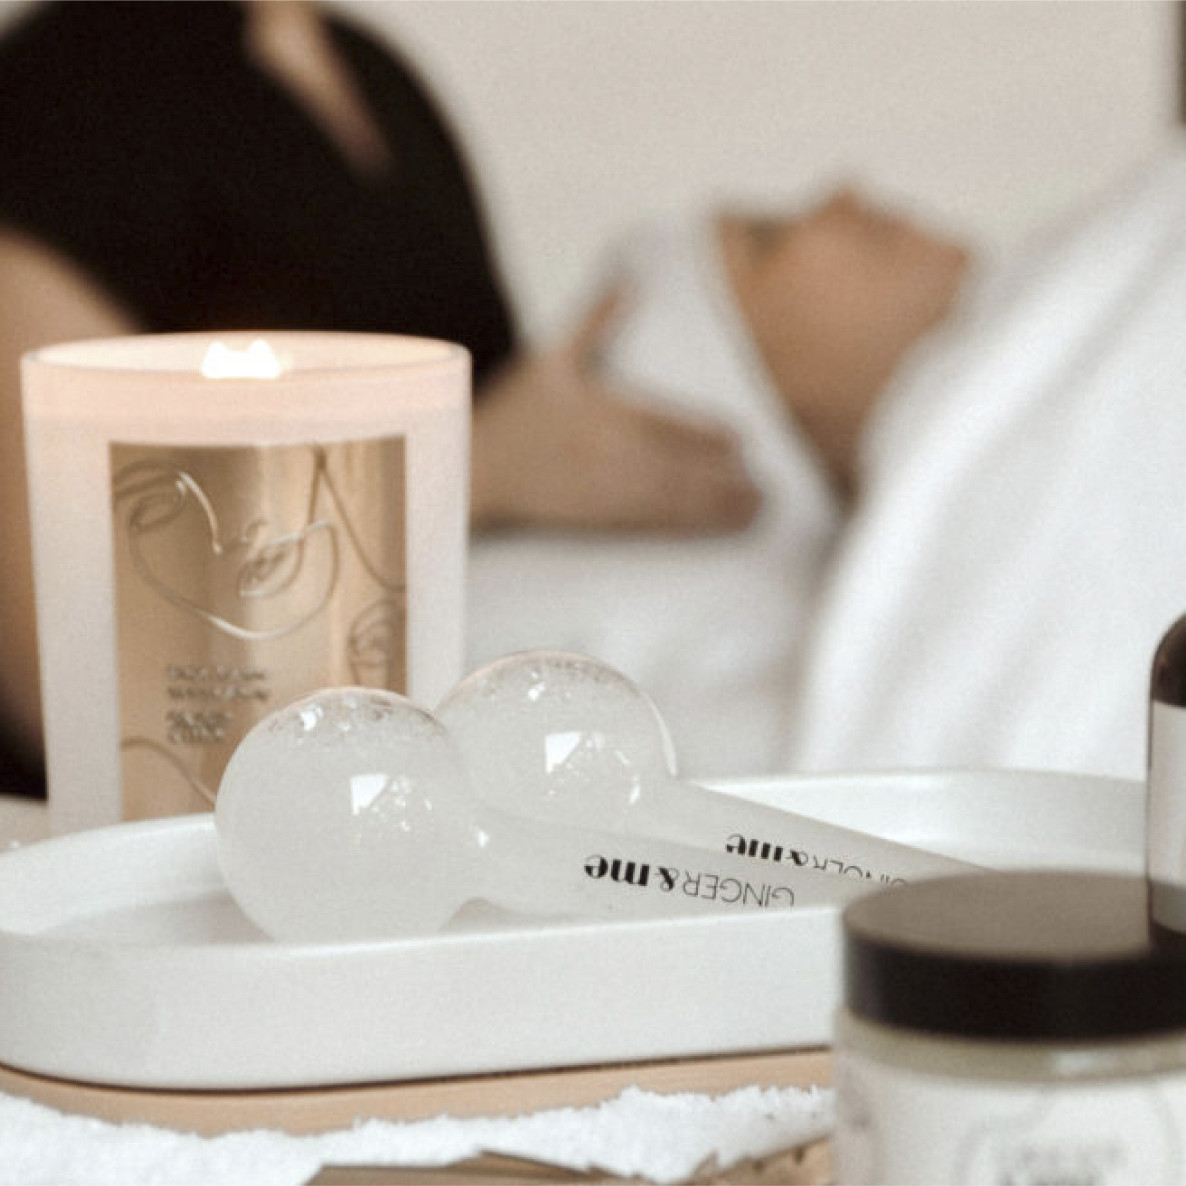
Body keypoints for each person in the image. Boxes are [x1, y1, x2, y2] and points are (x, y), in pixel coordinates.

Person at [0, 0, 761, 792]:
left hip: (384, 778)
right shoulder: (66, 96)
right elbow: (58, 666)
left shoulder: (379, 78)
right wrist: (480, 469)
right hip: (174, 811)